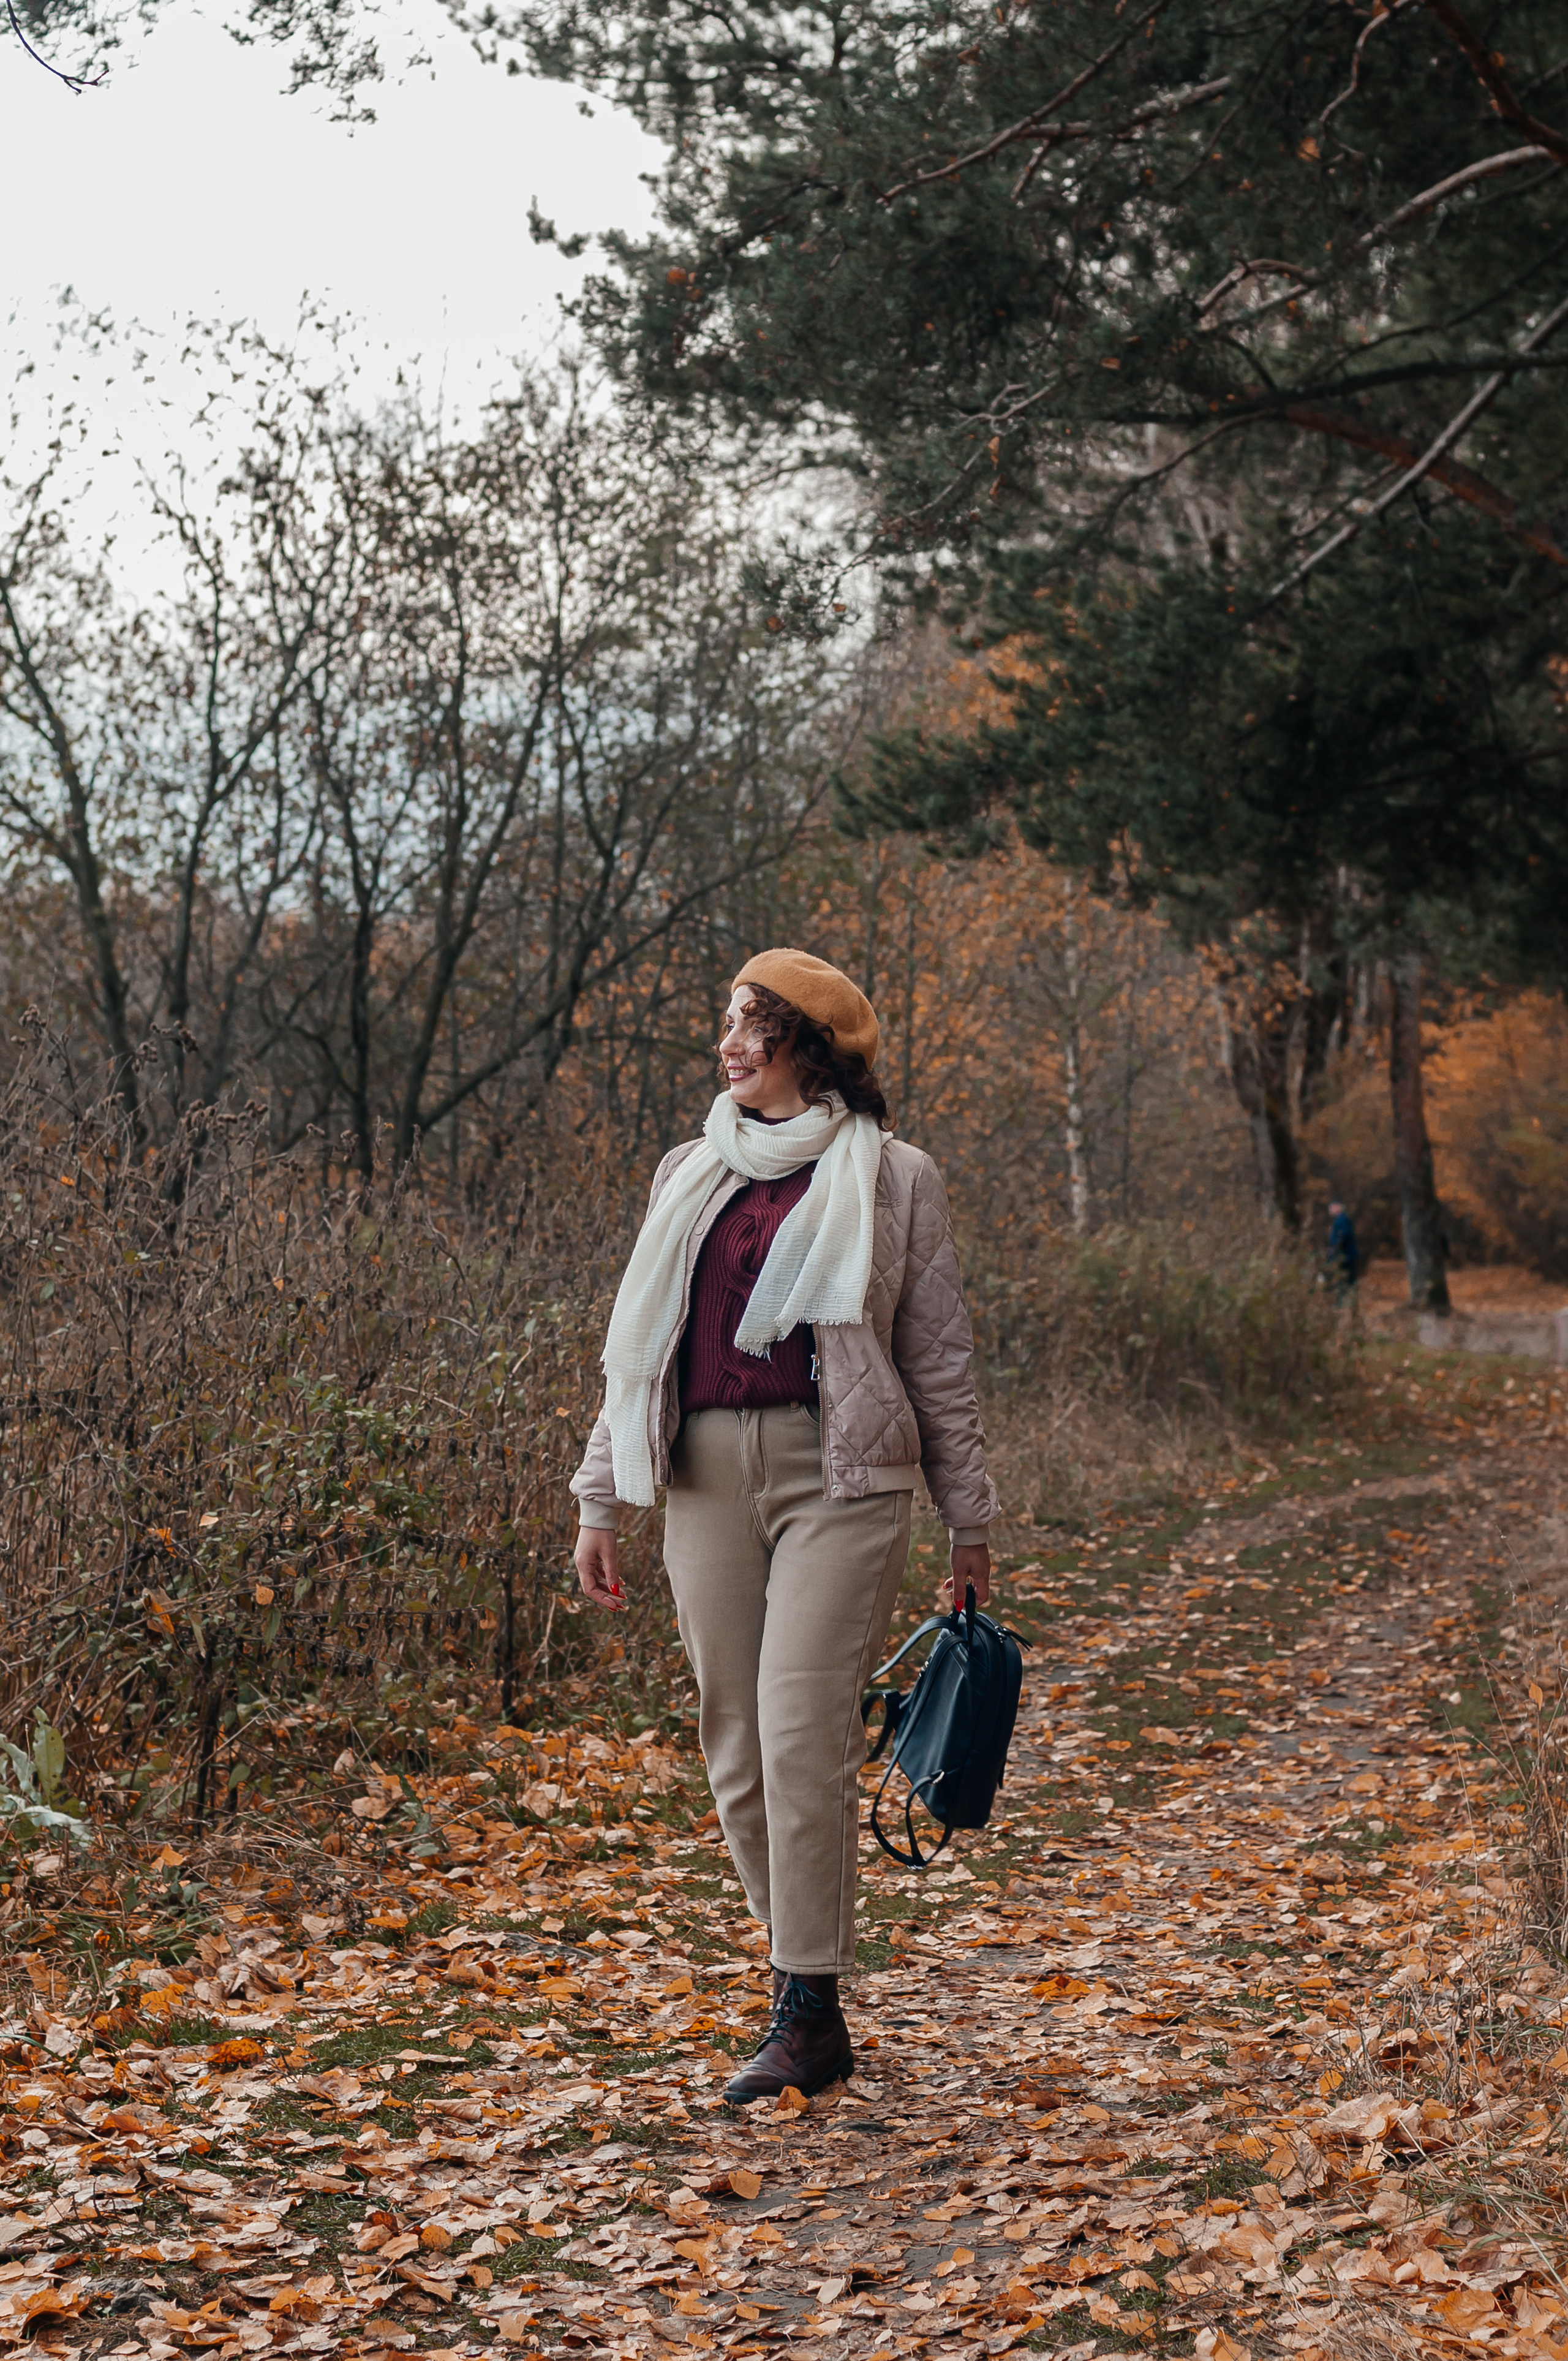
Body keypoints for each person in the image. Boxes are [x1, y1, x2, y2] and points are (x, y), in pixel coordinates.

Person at [571, 948, 998, 2103]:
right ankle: (804, 1965)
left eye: (749, 1024)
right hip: (703, 1470)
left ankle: (807, 2006)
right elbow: (639, 1351)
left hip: (842, 1475)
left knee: (798, 1721)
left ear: (805, 1042)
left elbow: (939, 1358)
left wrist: (969, 1519)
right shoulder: (689, 1169)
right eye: (727, 1022)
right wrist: (599, 1495)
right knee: (732, 1735)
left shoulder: (896, 1176)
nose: (727, 1043)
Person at [1327, 1201, 1360, 1301]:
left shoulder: (1342, 1219)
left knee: (1346, 1277)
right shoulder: (1340, 1219)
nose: (1330, 1210)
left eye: (1332, 1208)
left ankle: (1346, 1299)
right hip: (1343, 1255)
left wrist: (1336, 1246)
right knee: (1345, 1277)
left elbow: (1345, 1235)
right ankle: (1347, 1299)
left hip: (1345, 1255)